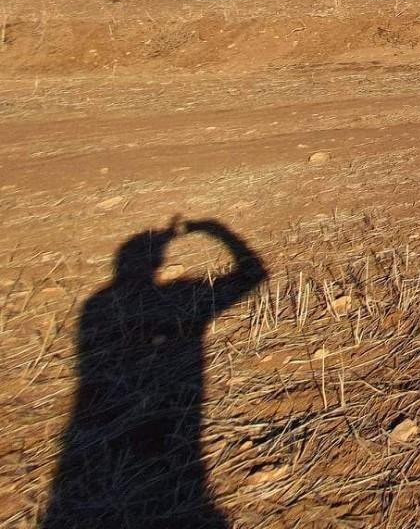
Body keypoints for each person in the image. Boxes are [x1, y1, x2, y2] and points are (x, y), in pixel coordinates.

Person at [42, 218, 266, 528]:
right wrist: (216, 230)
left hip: (93, 455)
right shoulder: (172, 295)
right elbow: (253, 276)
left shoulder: (99, 304)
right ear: (158, 260)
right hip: (175, 431)